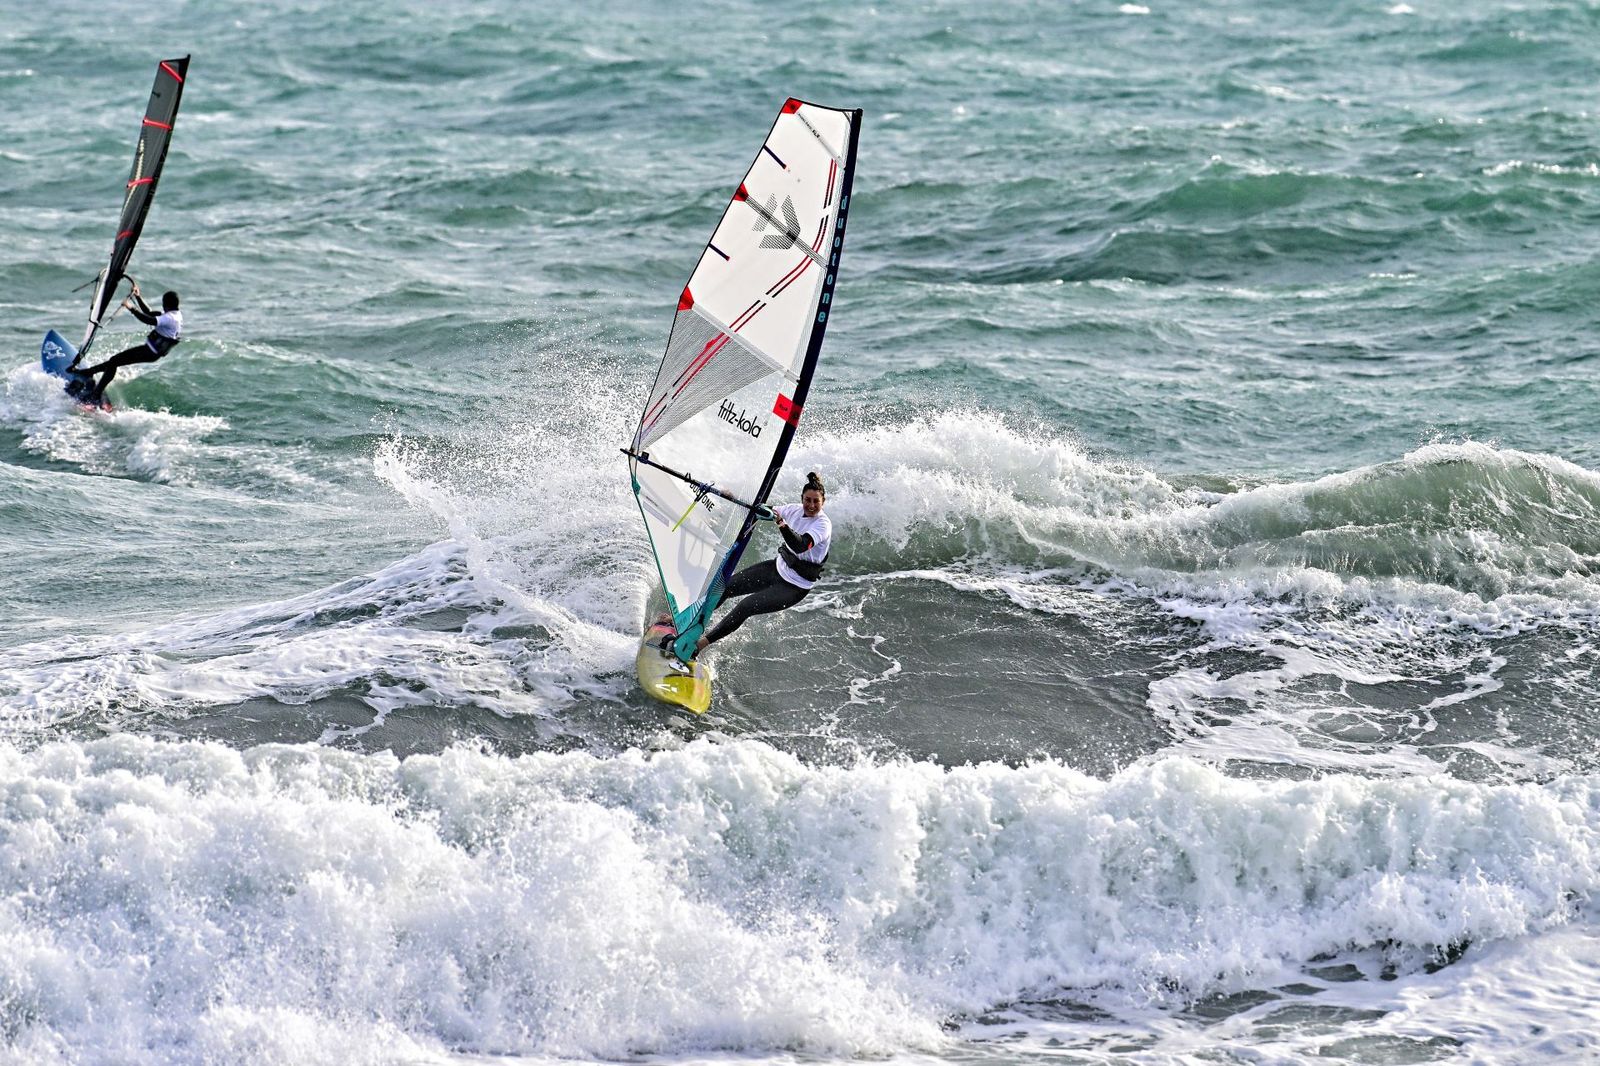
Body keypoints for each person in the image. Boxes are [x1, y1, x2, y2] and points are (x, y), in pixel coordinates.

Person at [693, 471, 833, 655]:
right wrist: (734, 498)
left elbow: (800, 545)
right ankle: (690, 626)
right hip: (777, 568)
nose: (811, 505)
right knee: (724, 587)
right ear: (802, 499)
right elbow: (760, 508)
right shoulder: (794, 509)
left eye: (816, 501)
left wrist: (781, 524)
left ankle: (699, 645)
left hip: (794, 587)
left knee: (746, 606)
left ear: (823, 502)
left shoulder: (823, 524)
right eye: (808, 500)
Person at [72, 286, 182, 405]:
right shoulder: (175, 315)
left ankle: (96, 394)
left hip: (150, 352)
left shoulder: (170, 318)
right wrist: (138, 297)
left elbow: (148, 320)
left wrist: (131, 307)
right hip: (151, 352)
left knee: (114, 361)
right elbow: (149, 313)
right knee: (115, 361)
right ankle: (90, 372)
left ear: (166, 304)